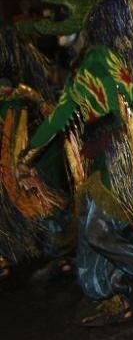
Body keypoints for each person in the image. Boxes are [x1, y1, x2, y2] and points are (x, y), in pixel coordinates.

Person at [18, 0, 133, 325]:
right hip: (97, 154)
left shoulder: (99, 56)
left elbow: (131, 91)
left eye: (64, 32)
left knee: (100, 230)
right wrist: (27, 157)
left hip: (116, 153)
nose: (60, 39)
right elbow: (60, 117)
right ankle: (110, 298)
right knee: (88, 234)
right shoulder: (82, 68)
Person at [0, 26, 71, 279]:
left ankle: (55, 253)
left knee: (37, 199)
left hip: (26, 152)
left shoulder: (21, 89)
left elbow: (47, 112)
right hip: (25, 151)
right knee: (33, 200)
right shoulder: (26, 84)